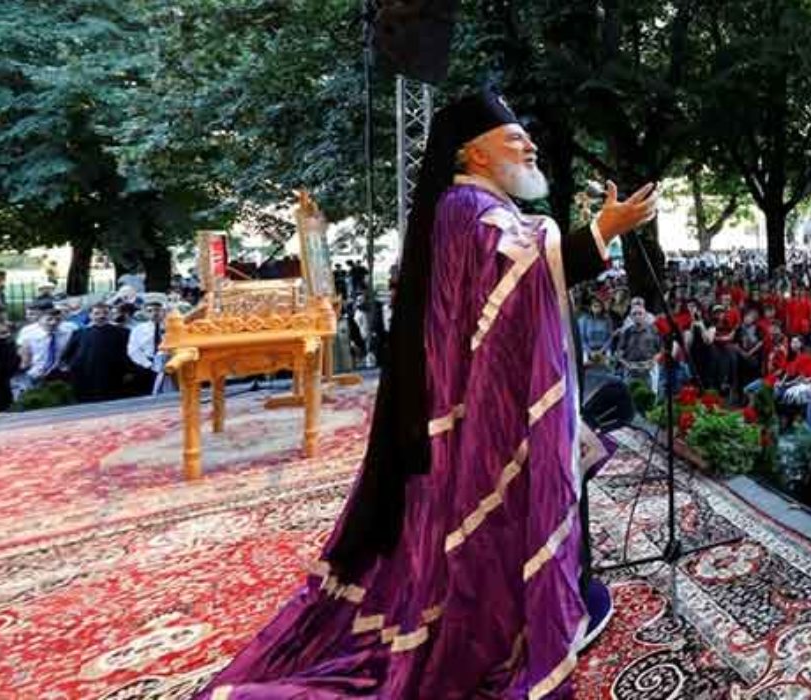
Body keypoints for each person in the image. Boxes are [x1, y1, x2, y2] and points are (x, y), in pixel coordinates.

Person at [201, 89, 656, 699]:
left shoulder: (481, 205)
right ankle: (509, 625)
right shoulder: (466, 207)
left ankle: (548, 596)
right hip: (480, 410)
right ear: (474, 153)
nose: (531, 145)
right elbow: (517, 273)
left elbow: (524, 269)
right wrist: (603, 229)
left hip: (487, 399)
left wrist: (597, 234)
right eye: (514, 138)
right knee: (490, 526)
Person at [60, 301, 133, 402]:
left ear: (111, 314)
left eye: (105, 313)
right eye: (97, 313)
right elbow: (68, 355)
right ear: (90, 315)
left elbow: (130, 354)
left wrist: (129, 371)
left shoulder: (123, 332)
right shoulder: (79, 333)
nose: (101, 316)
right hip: (86, 378)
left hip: (114, 377)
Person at [127, 299, 168, 395]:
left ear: (163, 312)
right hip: (146, 365)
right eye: (150, 311)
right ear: (145, 313)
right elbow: (133, 350)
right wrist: (148, 364)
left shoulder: (171, 327)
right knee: (146, 393)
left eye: (157, 310)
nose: (154, 313)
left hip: (167, 363)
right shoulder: (138, 329)